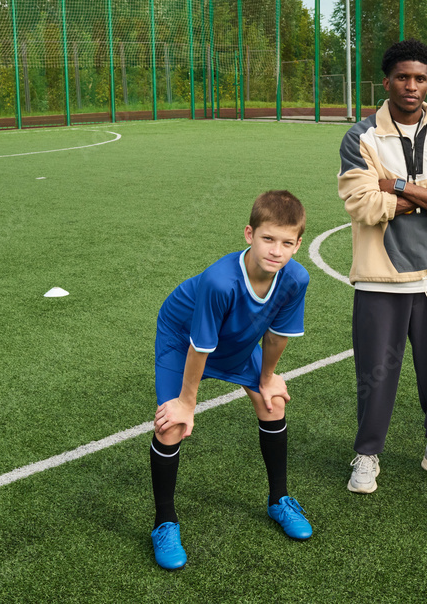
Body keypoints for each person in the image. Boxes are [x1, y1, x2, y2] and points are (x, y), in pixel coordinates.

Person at [338, 38, 427, 494]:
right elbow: (362, 203)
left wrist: (398, 186)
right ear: (387, 81)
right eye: (403, 77)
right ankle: (366, 454)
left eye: (420, 78)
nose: (412, 86)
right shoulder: (360, 137)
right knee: (375, 373)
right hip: (381, 274)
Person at [149, 190, 312, 570]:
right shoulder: (220, 281)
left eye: (287, 243)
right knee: (171, 425)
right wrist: (187, 403)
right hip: (183, 335)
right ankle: (164, 523)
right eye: (268, 238)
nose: (276, 250)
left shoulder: (295, 278)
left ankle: (279, 501)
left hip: (236, 333)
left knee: (271, 402)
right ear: (249, 234)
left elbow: (276, 335)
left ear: (298, 244)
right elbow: (199, 347)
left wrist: (267, 378)